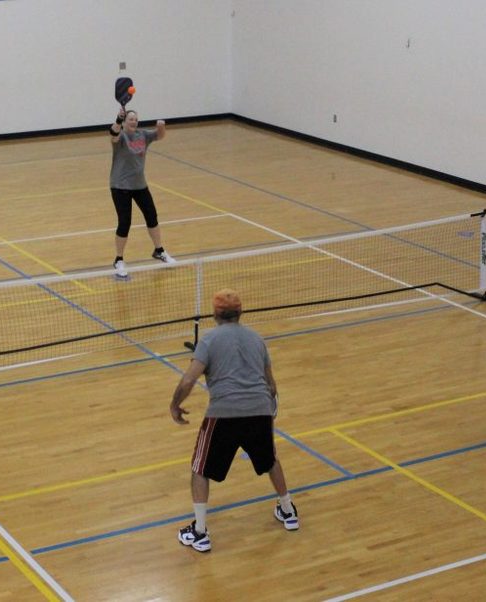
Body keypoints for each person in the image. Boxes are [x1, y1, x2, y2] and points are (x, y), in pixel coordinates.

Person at [169, 289, 299, 552]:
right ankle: (288, 511)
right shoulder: (256, 339)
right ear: (240, 312)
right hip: (259, 411)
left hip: (223, 415)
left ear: (215, 314)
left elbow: (188, 380)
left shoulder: (208, 340)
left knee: (200, 469)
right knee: (270, 459)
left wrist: (175, 405)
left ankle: (200, 532)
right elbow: (271, 385)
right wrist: (265, 410)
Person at [108, 107, 176, 278]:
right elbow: (113, 134)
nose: (134, 121)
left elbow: (159, 136)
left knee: (152, 216)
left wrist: (161, 126)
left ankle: (159, 250)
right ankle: (119, 259)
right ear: (124, 122)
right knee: (125, 222)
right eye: (130, 119)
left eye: (135, 119)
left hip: (140, 185)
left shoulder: (143, 135)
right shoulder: (121, 136)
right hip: (120, 186)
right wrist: (117, 119)